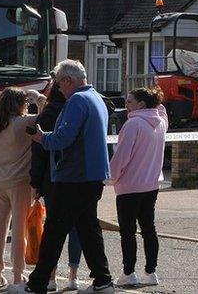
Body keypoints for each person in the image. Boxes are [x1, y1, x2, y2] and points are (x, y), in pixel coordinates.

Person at [16, 60, 114, 294]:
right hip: (92, 176)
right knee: (88, 229)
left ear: (68, 80)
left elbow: (63, 138)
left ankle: (37, 285)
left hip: (73, 177)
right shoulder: (96, 98)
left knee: (54, 232)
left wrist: (42, 138)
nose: (58, 89)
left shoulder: (76, 100)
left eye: (59, 84)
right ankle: (103, 281)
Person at [108, 87, 168, 287]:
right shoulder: (160, 122)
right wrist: (155, 100)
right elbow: (161, 109)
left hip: (129, 186)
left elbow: (121, 157)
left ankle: (128, 272)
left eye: (130, 101)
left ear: (141, 104)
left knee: (128, 231)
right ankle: (151, 272)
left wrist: (110, 177)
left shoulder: (133, 124)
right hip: (151, 185)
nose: (126, 105)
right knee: (149, 229)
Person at [0, 87, 42, 288]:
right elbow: (47, 116)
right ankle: (18, 275)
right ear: (19, 104)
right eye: (25, 103)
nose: (27, 106)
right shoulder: (22, 123)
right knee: (19, 231)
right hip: (20, 182)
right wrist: (38, 98)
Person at [29, 86, 83, 292]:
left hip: (52, 179)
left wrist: (35, 182)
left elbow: (39, 151)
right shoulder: (81, 109)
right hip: (78, 177)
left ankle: (51, 278)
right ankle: (73, 276)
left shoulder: (47, 115)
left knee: (53, 229)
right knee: (76, 227)